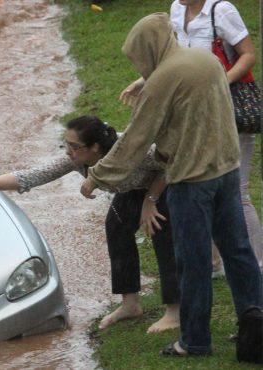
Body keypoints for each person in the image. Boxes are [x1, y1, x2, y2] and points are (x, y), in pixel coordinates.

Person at [81, 13, 262, 356]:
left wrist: (97, 177)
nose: (139, 62)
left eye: (138, 55)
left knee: (192, 262)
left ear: (150, 47)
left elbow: (134, 140)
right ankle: (254, 326)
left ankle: (194, 340)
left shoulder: (163, 80)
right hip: (226, 170)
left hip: (191, 182)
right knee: (238, 253)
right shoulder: (207, 60)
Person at [0, 115, 180, 333]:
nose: (68, 151)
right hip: (131, 191)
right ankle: (130, 305)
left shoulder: (131, 150)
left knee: (162, 236)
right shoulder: (77, 159)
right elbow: (32, 176)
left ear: (95, 148)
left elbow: (170, 164)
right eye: (65, 144)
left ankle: (175, 311)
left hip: (164, 187)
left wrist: (151, 201)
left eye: (74, 146)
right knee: (116, 230)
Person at [120, 0, 263, 272]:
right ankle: (215, 261)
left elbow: (248, 55)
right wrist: (143, 81)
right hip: (195, 111)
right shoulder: (175, 10)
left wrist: (222, 82)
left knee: (238, 190)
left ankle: (257, 264)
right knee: (199, 183)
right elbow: (172, 56)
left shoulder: (222, 11)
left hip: (229, 108)